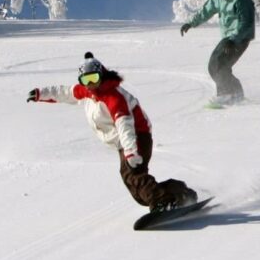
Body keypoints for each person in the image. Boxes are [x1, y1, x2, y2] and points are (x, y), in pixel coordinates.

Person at [27, 52, 198, 213]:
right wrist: (40, 94)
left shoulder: (113, 97)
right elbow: (64, 92)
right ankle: (178, 192)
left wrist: (131, 151)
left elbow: (125, 125)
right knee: (137, 190)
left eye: (94, 78)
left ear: (102, 75)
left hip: (136, 137)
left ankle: (163, 202)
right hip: (123, 142)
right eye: (86, 80)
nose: (91, 84)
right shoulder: (86, 91)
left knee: (134, 177)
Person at [179, 0, 256, 107]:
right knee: (213, 66)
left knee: (220, 64)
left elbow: (246, 23)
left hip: (240, 38)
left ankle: (225, 95)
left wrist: (234, 39)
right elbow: (205, 12)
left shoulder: (242, 0)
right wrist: (191, 23)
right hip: (227, 39)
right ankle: (236, 93)